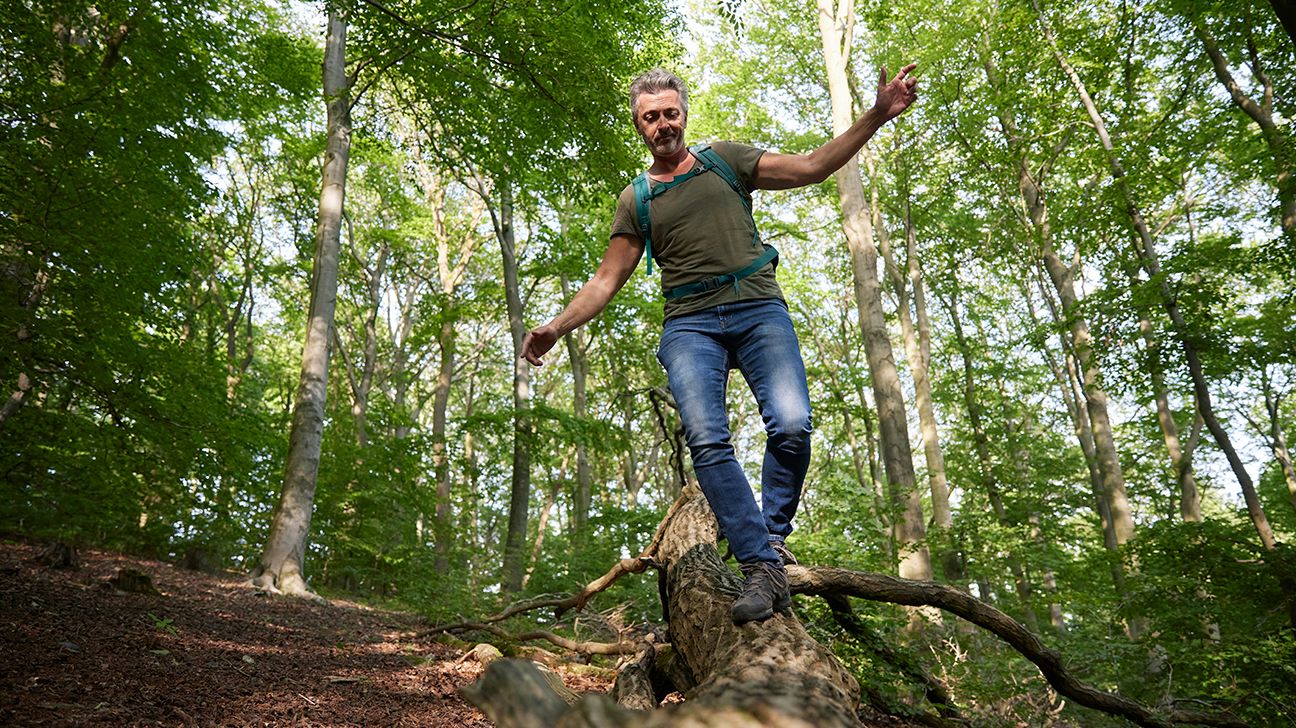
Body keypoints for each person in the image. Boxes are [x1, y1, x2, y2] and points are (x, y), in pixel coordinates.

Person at [521, 64, 918, 624]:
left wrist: (877, 113)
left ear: (684, 113)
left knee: (791, 423)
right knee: (708, 439)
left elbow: (811, 167)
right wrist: (555, 327)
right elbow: (606, 281)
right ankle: (760, 564)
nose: (663, 124)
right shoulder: (636, 200)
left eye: (670, 113)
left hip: (758, 308)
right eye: (650, 117)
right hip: (690, 324)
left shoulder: (726, 161)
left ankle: (772, 541)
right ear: (639, 126)